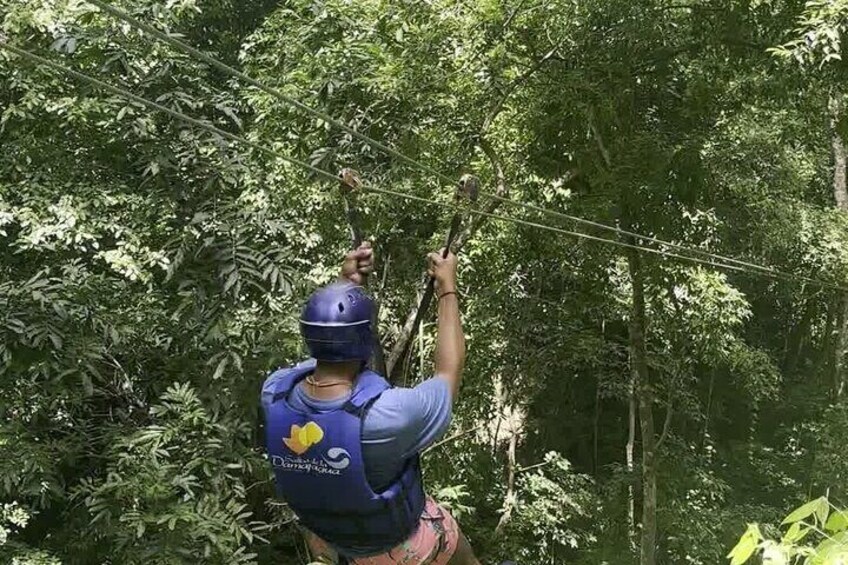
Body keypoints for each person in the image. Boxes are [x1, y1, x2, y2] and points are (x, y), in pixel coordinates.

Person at [261, 242, 481, 564]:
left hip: (327, 539)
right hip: (388, 547)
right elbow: (448, 374)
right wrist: (447, 290)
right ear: (365, 341)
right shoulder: (387, 417)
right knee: (453, 541)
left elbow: (315, 363)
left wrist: (345, 287)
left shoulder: (274, 392)